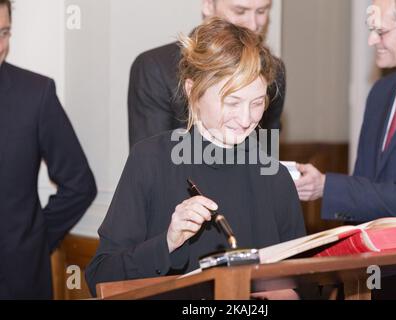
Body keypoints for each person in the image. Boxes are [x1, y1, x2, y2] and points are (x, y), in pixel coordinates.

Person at [86, 18, 306, 300]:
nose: (247, 119)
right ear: (193, 91)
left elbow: (304, 279)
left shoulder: (274, 177)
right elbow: (100, 277)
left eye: (258, 102)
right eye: (232, 102)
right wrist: (167, 243)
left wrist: (291, 293)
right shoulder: (151, 160)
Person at [297, 0, 396, 299]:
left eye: (381, 32)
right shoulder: (381, 92)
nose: (371, 41)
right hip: (372, 275)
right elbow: (364, 185)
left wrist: (326, 187)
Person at [0, 0, 97, 299]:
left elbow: (80, 185)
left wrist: (34, 239)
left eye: (4, 32)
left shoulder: (35, 94)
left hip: (17, 283)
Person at [128, 0, 286, 148]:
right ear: (209, 5)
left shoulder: (274, 71)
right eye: (240, 11)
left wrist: (289, 176)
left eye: (261, 11)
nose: (253, 24)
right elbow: (152, 165)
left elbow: (266, 155)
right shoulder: (155, 67)